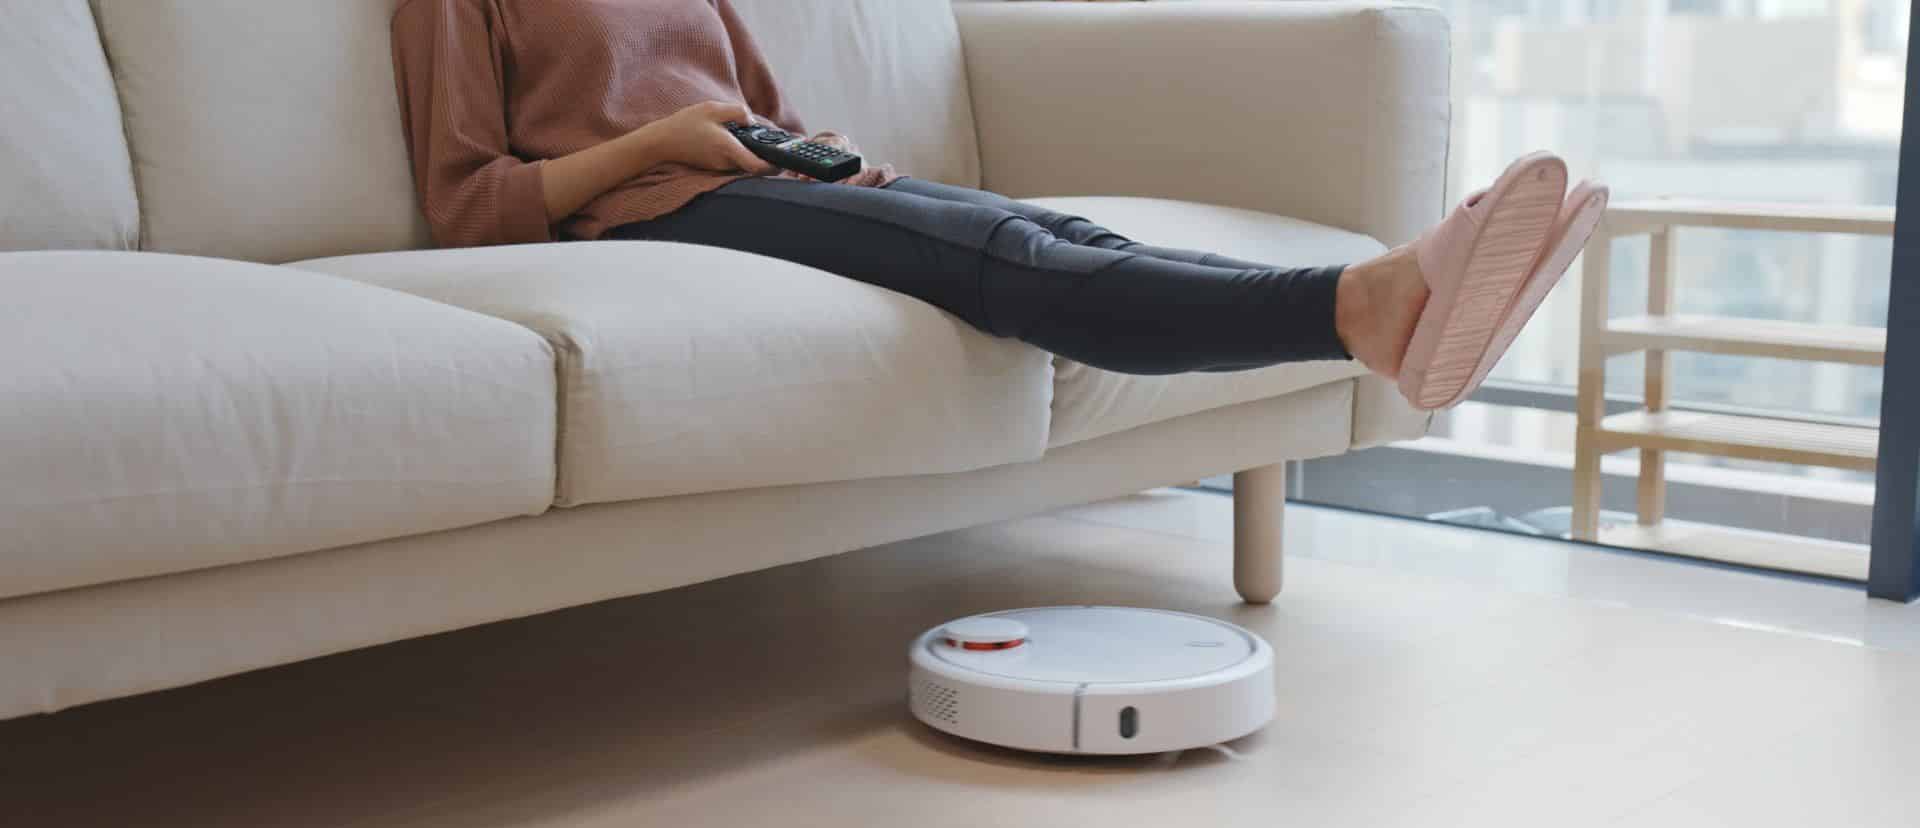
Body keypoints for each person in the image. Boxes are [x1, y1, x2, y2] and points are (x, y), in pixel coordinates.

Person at [391, 0, 1606, 410]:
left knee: (1049, 235)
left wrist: (822, 152)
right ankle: (1362, 306)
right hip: (651, 214)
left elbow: (762, 113)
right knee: (1002, 254)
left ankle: (1379, 311)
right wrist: (654, 143)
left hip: (751, 182)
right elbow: (468, 203)